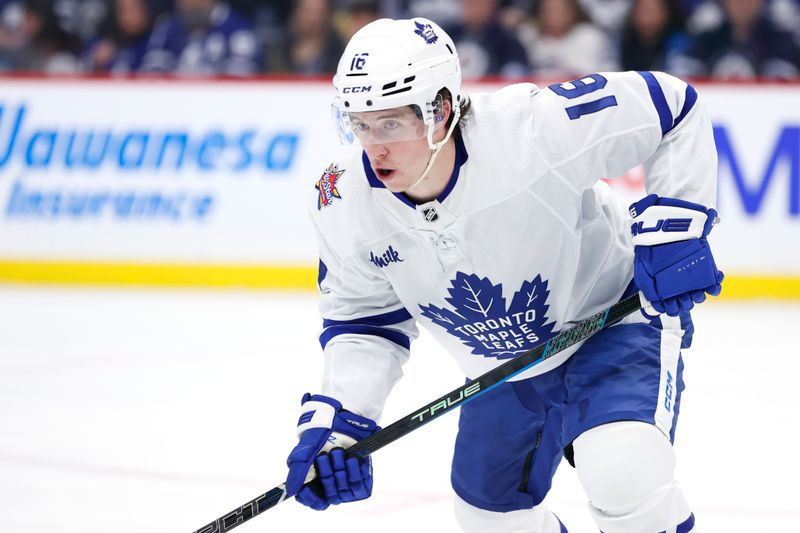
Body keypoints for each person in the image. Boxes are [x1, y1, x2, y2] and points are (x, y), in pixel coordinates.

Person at [284, 17, 723, 533]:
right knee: (489, 520)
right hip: (504, 368)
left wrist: (675, 225)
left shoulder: (530, 130)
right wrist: (343, 422)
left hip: (609, 324)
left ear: (440, 112)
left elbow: (671, 107)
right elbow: (363, 321)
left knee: (622, 471)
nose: (373, 148)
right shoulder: (342, 201)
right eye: (359, 124)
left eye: (391, 125)